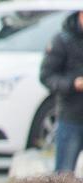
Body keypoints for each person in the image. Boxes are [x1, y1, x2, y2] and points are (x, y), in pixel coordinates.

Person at [40, 11, 83, 174]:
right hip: (71, 116)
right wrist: (72, 84)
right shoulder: (62, 40)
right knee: (64, 175)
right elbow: (47, 76)